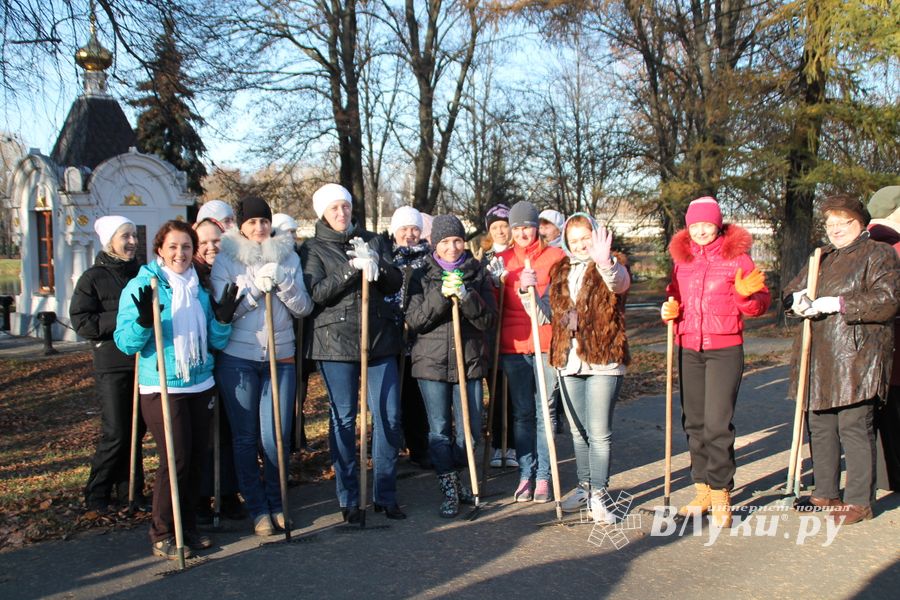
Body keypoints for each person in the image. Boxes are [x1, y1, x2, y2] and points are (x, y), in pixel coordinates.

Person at [114, 220, 237, 560]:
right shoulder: (144, 286)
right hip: (162, 385)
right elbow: (125, 343)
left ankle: (188, 528)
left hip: (200, 382)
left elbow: (214, 341)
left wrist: (223, 319)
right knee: (176, 458)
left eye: (186, 247)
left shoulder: (200, 287)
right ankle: (163, 532)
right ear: (159, 250)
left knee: (196, 458)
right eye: (173, 247)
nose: (180, 253)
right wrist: (142, 322)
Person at [783, 194, 899, 525]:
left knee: (853, 426)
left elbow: (888, 300)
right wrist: (796, 301)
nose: (835, 229)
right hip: (819, 356)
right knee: (820, 426)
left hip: (858, 356)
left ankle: (860, 500)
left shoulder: (879, 254)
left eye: (842, 222)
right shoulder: (821, 257)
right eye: (830, 223)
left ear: (860, 223)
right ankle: (826, 490)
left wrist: (839, 304)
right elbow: (791, 291)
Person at [660, 196, 770, 527]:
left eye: (707, 224)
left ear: (718, 224)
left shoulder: (738, 258)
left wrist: (745, 296)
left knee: (717, 424)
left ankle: (721, 490)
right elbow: (673, 296)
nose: (702, 231)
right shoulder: (682, 261)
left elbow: (760, 303)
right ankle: (703, 488)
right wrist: (669, 311)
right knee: (693, 422)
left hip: (725, 348)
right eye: (695, 225)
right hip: (688, 346)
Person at [300, 183, 406, 521]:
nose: (342, 213)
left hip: (379, 339)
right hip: (335, 343)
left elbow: (394, 282)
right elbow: (317, 293)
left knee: (388, 416)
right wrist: (351, 270)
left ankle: (385, 493)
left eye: (345, 207)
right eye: (334, 209)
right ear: (323, 213)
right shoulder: (313, 248)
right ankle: (348, 498)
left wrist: (377, 263)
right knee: (343, 419)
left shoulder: (373, 240)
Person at [211, 196, 314, 536]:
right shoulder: (226, 261)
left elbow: (302, 308)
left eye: (264, 221)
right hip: (238, 360)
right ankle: (257, 509)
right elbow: (224, 313)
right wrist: (255, 290)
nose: (259, 228)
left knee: (276, 438)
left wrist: (282, 283)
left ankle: (277, 502)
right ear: (241, 225)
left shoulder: (289, 257)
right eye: (252, 222)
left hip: (280, 357)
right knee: (245, 438)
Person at [406, 215, 497, 517]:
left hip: (468, 361)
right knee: (440, 430)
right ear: (435, 245)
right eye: (445, 241)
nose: (452, 246)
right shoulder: (420, 276)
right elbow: (415, 321)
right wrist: (441, 297)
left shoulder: (477, 272)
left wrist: (466, 296)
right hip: (431, 364)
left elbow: (487, 320)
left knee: (468, 431)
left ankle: (463, 478)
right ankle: (449, 486)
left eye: (457, 240)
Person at [545, 214, 630, 522]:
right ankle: (583, 487)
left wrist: (605, 261)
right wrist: (528, 293)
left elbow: (618, 285)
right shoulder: (561, 269)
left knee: (599, 433)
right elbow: (552, 313)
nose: (581, 245)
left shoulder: (612, 264)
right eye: (575, 239)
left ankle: (599, 493)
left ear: (595, 236)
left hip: (603, 359)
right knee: (578, 433)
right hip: (569, 360)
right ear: (567, 242)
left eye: (586, 237)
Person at [486, 200, 565, 502]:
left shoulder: (556, 257)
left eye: (527, 226)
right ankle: (525, 473)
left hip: (545, 344)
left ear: (536, 228)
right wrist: (494, 283)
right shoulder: (501, 259)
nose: (521, 232)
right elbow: (491, 304)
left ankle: (544, 476)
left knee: (546, 413)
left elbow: (562, 300)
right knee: (522, 413)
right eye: (516, 227)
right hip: (514, 346)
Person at [70, 215, 148, 513]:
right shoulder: (93, 277)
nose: (132, 242)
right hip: (112, 364)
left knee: (136, 431)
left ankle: (131, 491)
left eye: (134, 236)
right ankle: (97, 492)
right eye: (125, 236)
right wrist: (125, 318)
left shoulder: (141, 273)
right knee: (116, 431)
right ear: (110, 241)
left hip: (142, 362)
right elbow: (82, 322)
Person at [190, 217, 247, 523]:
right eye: (204, 242)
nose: (212, 247)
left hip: (234, 357)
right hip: (201, 362)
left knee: (227, 429)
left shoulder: (233, 267)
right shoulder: (190, 274)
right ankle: (199, 495)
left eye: (217, 241)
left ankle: (227, 491)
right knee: (202, 431)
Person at [385, 205, 433, 469]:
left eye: (414, 228)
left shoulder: (428, 260)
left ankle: (420, 446)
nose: (410, 234)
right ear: (395, 231)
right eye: (404, 229)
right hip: (391, 338)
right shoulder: (387, 259)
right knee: (393, 398)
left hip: (420, 338)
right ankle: (392, 450)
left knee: (418, 398)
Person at [866, 186, 900, 492]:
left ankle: (884, 476)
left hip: (870, 347)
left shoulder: (863, 245)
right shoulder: (894, 247)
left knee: (879, 410)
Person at [481, 203, 517, 468]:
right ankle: (496, 445)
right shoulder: (484, 259)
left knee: (514, 391)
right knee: (496, 391)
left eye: (504, 225)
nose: (500, 231)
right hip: (492, 334)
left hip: (515, 331)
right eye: (495, 227)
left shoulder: (518, 255)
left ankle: (513, 445)